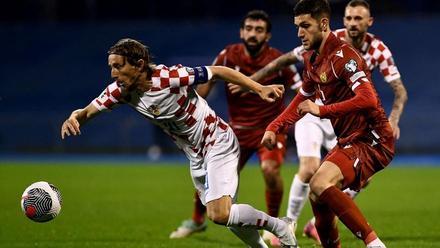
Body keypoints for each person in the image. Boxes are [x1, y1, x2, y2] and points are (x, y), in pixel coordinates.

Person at [60, 38, 297, 248]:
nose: (113, 73)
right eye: (111, 67)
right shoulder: (120, 91)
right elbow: (87, 111)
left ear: (139, 65)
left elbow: (219, 71)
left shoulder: (170, 77)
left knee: (219, 213)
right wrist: (74, 116)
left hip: (217, 141)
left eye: (118, 66)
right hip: (195, 156)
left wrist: (259, 89)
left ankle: (279, 226)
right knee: (227, 214)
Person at [253, 0, 408, 244]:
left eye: (305, 26)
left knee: (320, 182)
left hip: (372, 138)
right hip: (348, 138)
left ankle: (375, 244)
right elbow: (302, 98)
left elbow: (368, 99)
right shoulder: (313, 57)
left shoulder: (345, 56)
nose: (299, 33)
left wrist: (322, 110)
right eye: (297, 26)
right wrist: (274, 126)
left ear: (323, 24)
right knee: (317, 193)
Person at [169, 10, 302, 246]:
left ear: (267, 35)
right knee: (212, 175)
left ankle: (273, 225)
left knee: (270, 170)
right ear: (241, 31)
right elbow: (206, 84)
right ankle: (197, 220)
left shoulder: (278, 59)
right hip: (237, 131)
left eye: (259, 30)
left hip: (268, 129)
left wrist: (285, 122)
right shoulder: (228, 56)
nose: (252, 34)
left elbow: (302, 91)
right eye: (248, 29)